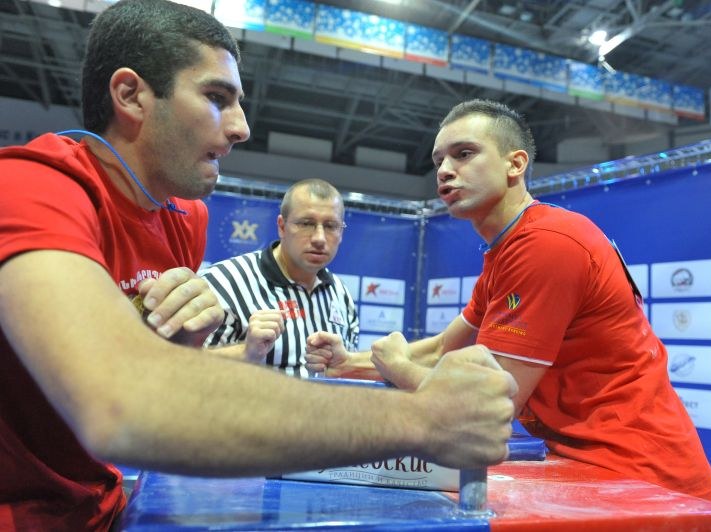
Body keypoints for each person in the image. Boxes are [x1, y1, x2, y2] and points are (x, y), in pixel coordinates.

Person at [0, 3, 517, 529]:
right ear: (131, 95)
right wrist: (423, 419)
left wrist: (183, 350)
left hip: (100, 507)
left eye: (237, 103)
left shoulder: (183, 218)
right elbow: (119, 403)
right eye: (216, 98)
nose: (242, 127)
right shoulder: (30, 189)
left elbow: (163, 385)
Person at [306, 99, 711, 503]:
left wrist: (396, 367)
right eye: (439, 161)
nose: (446, 171)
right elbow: (442, 348)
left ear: (515, 163)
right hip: (597, 472)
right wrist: (351, 364)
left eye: (464, 153)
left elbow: (490, 408)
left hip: (648, 484)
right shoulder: (509, 249)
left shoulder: (545, 244)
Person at [202, 178, 358, 376]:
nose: (319, 238)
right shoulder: (224, 282)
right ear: (282, 227)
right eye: (306, 224)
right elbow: (187, 366)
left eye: (330, 226)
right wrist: (246, 352)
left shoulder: (342, 295)